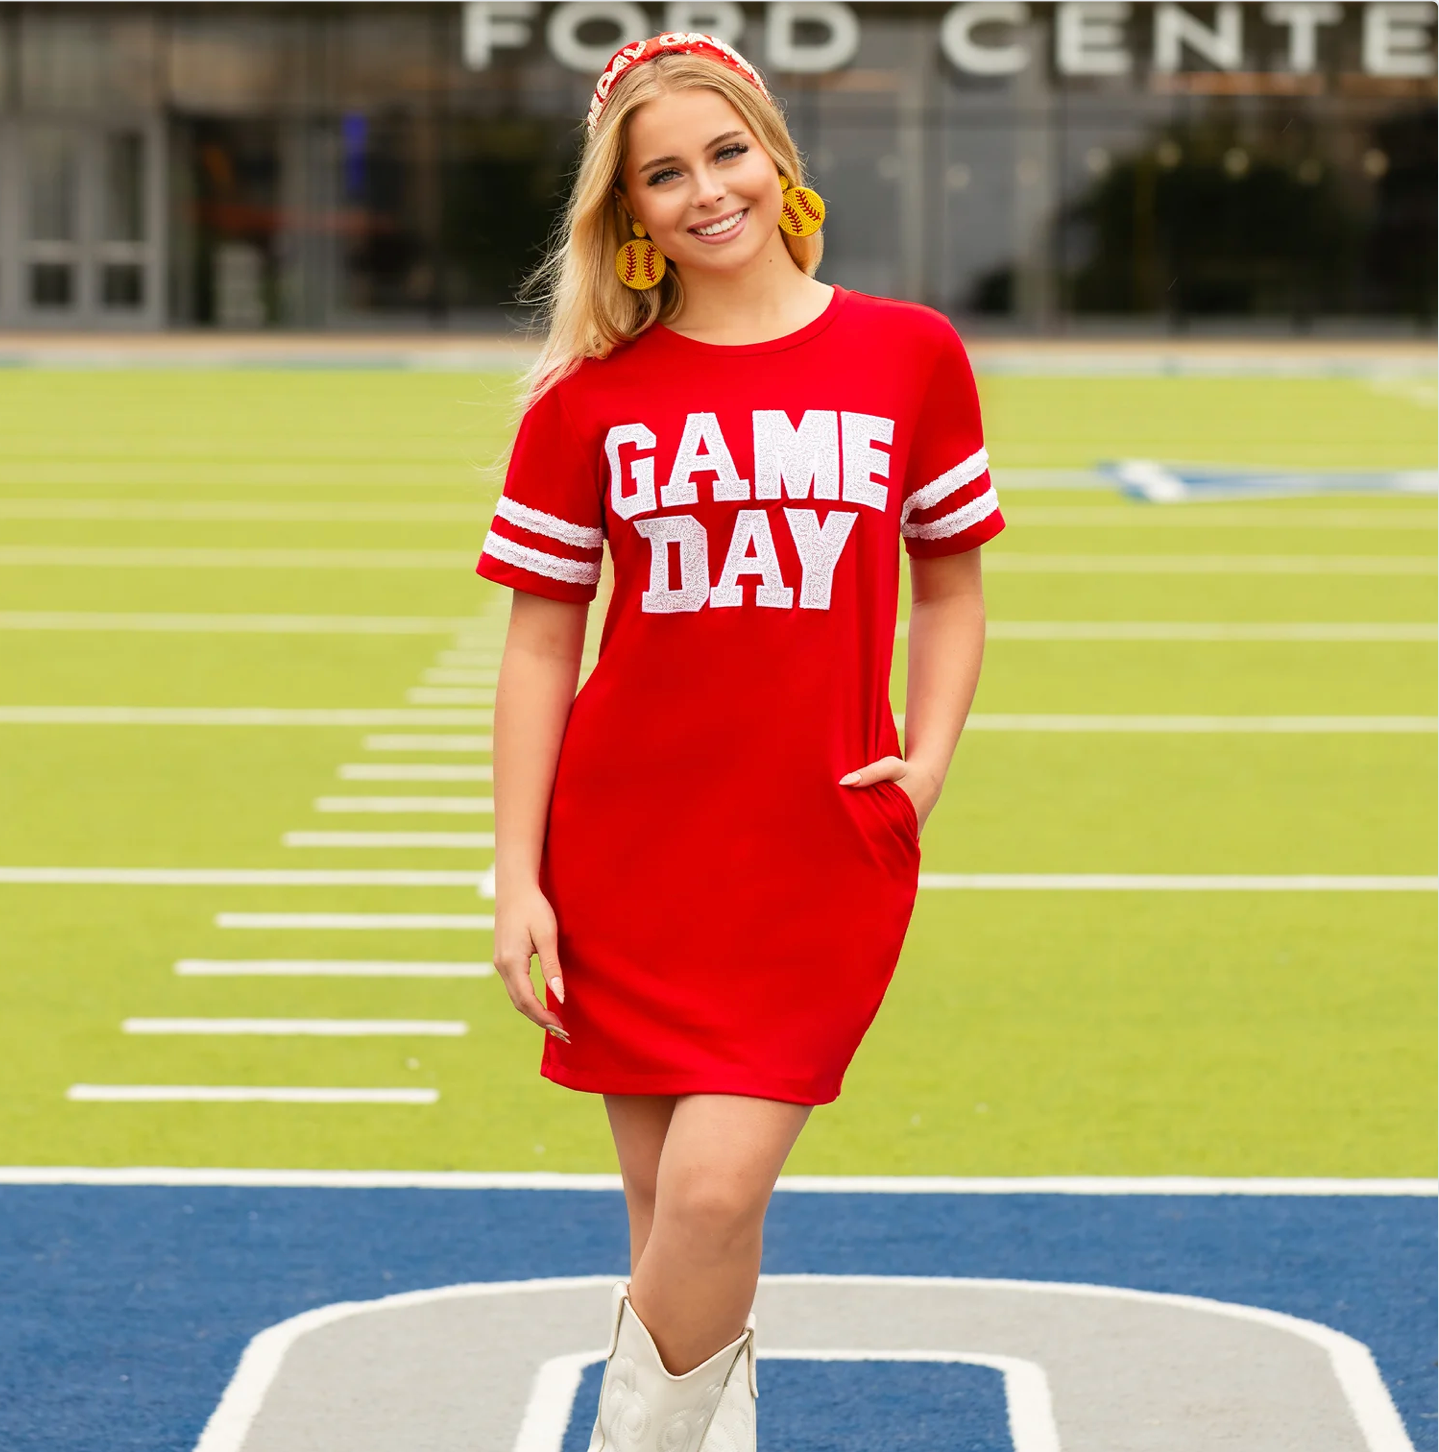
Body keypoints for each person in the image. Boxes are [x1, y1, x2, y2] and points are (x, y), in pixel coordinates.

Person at [476, 31, 1004, 1450]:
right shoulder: (588, 401)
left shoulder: (908, 354)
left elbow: (950, 582)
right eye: (663, 173)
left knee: (711, 1199)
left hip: (819, 846)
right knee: (676, 1223)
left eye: (725, 152)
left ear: (777, 158)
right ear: (627, 214)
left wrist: (930, 760)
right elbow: (540, 644)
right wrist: (517, 879)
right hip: (628, 849)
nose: (706, 189)